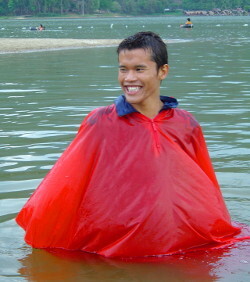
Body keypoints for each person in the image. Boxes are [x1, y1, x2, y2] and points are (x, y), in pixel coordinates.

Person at [16, 31, 248, 258]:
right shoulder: (100, 121)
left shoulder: (186, 123)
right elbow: (68, 181)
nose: (129, 78)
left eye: (139, 69)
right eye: (123, 69)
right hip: (116, 246)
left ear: (162, 71)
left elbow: (206, 186)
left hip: (182, 241)